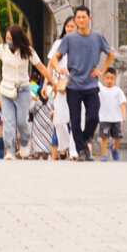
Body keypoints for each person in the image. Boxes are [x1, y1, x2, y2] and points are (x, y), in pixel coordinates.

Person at [0, 24, 50, 160]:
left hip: (23, 89)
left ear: (18, 38)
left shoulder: (28, 50)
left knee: (21, 121)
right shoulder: (2, 49)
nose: (8, 41)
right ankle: (11, 151)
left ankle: (25, 143)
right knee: (8, 121)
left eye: (11, 38)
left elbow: (41, 67)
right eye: (7, 38)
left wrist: (52, 82)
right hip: (6, 89)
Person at [47, 5, 115, 162]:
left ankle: (82, 142)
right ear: (75, 20)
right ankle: (82, 151)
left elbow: (110, 53)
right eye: (78, 17)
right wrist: (59, 68)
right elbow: (54, 57)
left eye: (84, 17)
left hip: (91, 85)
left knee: (93, 117)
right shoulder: (69, 39)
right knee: (75, 120)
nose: (81, 20)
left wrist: (102, 71)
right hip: (73, 86)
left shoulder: (97, 37)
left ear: (89, 19)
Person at [48, 16, 77, 159]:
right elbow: (51, 62)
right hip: (61, 84)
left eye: (72, 26)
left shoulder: (81, 42)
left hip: (78, 82)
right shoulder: (59, 43)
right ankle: (65, 144)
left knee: (75, 118)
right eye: (67, 26)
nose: (69, 29)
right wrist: (48, 81)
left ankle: (73, 150)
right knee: (58, 120)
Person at [98, 68, 127, 161]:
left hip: (116, 118)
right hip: (104, 118)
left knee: (118, 136)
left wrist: (124, 114)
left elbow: (122, 103)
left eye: (112, 78)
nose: (109, 80)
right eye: (107, 78)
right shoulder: (101, 90)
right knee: (104, 137)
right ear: (103, 79)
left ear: (115, 79)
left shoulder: (118, 90)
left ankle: (114, 148)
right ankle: (104, 155)